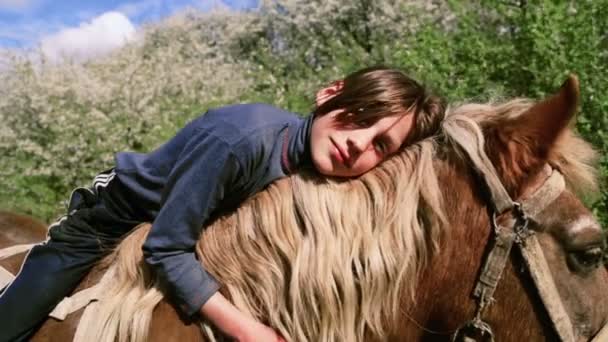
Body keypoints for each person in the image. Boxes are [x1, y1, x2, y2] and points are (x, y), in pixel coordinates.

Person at [0, 66, 446, 341]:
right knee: (21, 314)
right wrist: (247, 329)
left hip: (194, 227)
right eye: (361, 118)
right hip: (115, 215)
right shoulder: (239, 139)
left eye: (382, 146)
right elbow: (166, 247)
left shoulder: (316, 166)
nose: (359, 143)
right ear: (330, 93)